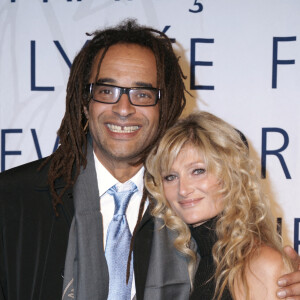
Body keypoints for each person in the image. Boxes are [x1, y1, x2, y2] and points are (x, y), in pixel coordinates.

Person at [0, 20, 299, 300]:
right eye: (107, 91)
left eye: (142, 94)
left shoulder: (186, 207)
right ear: (83, 100)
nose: (123, 108)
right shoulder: (13, 199)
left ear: (164, 104)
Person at [145, 111, 297, 299]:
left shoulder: (261, 264)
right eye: (170, 177)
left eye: (198, 171)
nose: (182, 190)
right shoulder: (191, 262)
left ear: (231, 175)